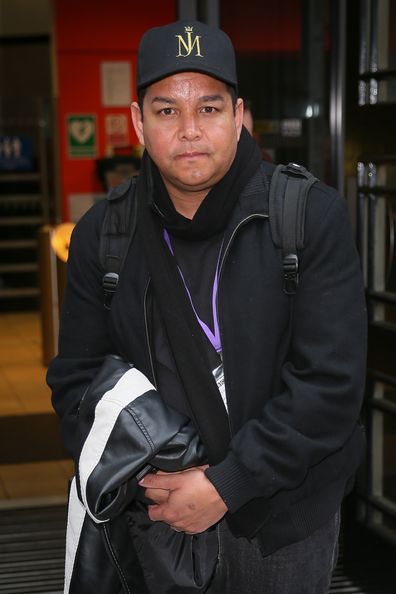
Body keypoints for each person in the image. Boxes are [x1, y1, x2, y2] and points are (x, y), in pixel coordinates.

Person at [47, 19, 367, 594]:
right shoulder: (104, 234)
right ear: (137, 123)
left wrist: (226, 485)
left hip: (283, 516)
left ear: (240, 116)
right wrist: (151, 480)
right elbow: (74, 381)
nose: (190, 130)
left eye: (211, 109)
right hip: (159, 515)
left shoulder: (306, 217)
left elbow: (331, 386)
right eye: (167, 110)